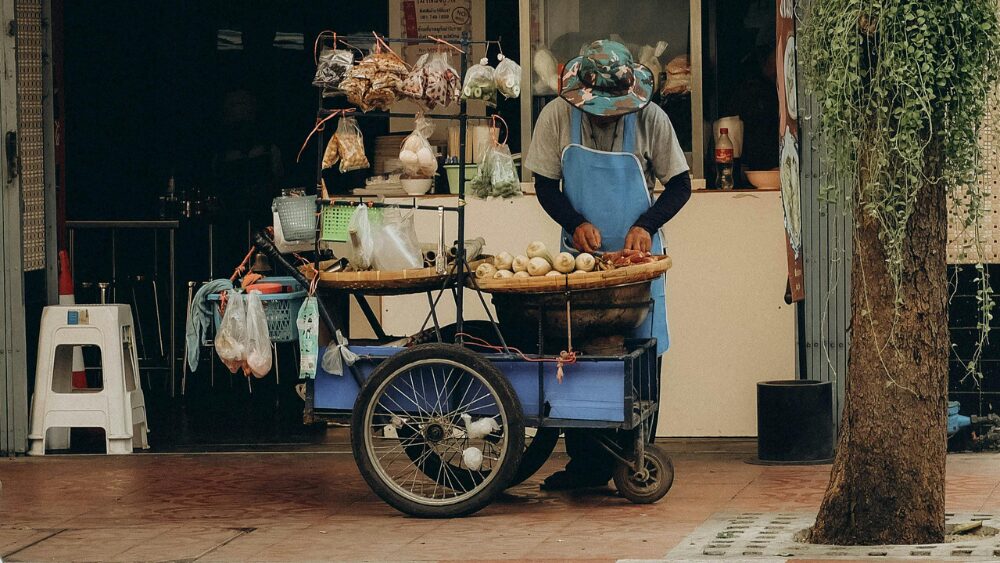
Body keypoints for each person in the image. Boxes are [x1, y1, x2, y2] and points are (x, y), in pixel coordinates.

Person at [524, 40, 691, 491]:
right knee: (582, 358)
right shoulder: (557, 116)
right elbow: (544, 184)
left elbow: (679, 185)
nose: (606, 116)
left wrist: (646, 224)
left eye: (615, 110)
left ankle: (634, 458)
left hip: (639, 267)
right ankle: (586, 468)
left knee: (641, 359)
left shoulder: (651, 118)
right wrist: (574, 222)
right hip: (581, 266)